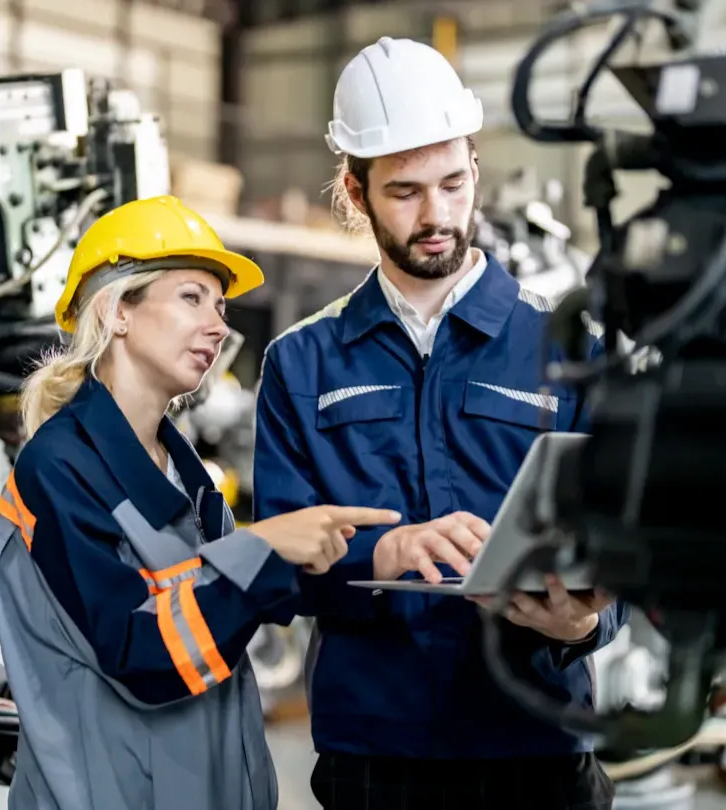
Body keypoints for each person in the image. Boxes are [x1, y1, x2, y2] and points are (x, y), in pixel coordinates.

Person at [253, 38, 629, 810]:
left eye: (454, 183)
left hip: (538, 748)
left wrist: (581, 626)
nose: (437, 216)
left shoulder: (570, 348)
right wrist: (384, 553)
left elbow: (620, 546)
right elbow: (275, 570)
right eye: (405, 191)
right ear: (355, 193)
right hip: (376, 757)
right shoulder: (302, 364)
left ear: (475, 170)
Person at [0, 195, 401, 810]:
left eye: (221, 305)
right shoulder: (59, 469)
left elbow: (211, 614)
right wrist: (262, 547)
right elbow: (143, 653)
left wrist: (382, 554)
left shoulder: (191, 483)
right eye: (191, 298)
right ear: (117, 310)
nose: (218, 326)